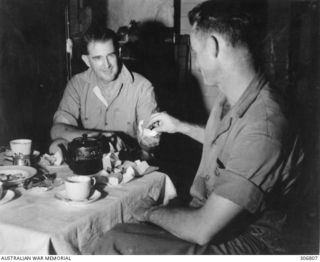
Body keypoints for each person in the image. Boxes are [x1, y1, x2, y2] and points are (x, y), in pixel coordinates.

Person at [86, 0, 303, 255]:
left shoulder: (264, 127)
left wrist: (150, 211)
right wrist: (180, 126)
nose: (197, 63)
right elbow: (230, 143)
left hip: (249, 244)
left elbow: (202, 228)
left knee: (113, 241)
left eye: (197, 52)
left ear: (213, 46)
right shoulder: (237, 96)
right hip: (215, 219)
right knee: (120, 232)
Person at [50, 25, 159, 155]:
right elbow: (57, 130)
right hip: (91, 162)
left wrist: (149, 140)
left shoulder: (142, 87)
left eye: (110, 55)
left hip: (131, 165)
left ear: (118, 54)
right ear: (87, 61)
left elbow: (150, 147)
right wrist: (99, 137)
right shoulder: (77, 84)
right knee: (56, 145)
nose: (106, 64)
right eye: (98, 58)